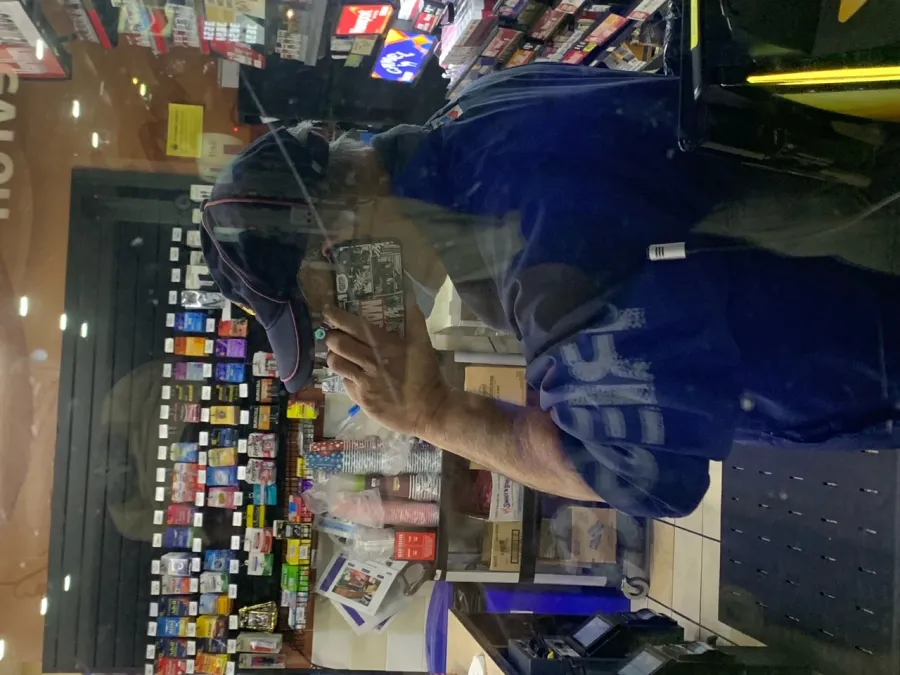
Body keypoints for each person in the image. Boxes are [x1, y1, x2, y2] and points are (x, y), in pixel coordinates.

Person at [201, 64, 900, 518]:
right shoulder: (475, 114)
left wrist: (434, 412)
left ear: (341, 243)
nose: (341, 325)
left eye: (326, 306)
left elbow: (641, 477)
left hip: (870, 324)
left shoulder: (532, 252)